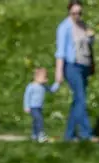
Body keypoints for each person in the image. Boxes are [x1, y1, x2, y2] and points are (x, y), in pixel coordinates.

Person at [54, 0, 94, 142]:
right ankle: (86, 133)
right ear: (69, 12)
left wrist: (91, 37)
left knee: (78, 100)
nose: (77, 16)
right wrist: (58, 72)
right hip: (71, 66)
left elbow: (88, 45)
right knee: (81, 99)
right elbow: (60, 52)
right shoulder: (64, 27)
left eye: (79, 13)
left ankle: (69, 135)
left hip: (84, 65)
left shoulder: (83, 25)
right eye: (74, 13)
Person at [24, 66, 50, 142]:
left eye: (46, 77)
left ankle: (34, 135)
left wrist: (57, 83)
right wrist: (26, 106)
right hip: (33, 107)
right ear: (36, 77)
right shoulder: (31, 86)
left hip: (39, 107)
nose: (46, 79)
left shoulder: (43, 86)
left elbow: (51, 89)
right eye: (44, 77)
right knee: (39, 119)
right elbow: (27, 96)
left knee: (35, 121)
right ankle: (40, 135)